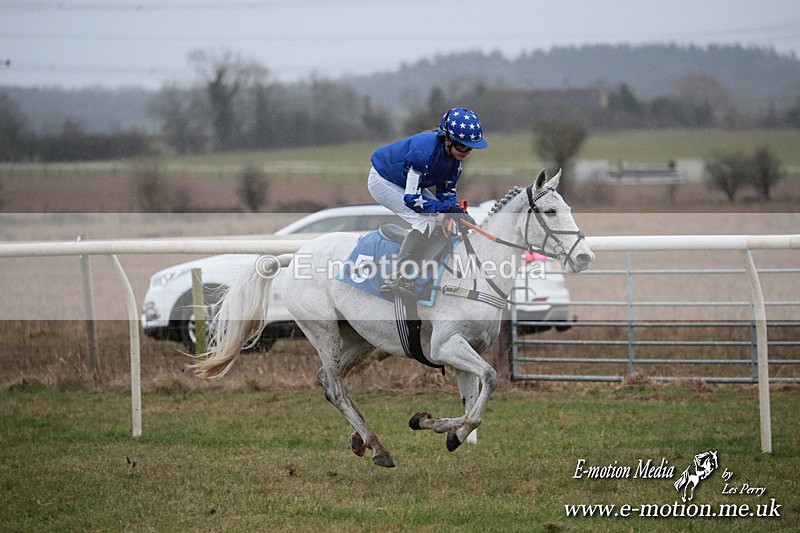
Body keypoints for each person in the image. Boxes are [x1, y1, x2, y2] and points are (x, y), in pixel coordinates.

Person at [367, 106, 488, 297]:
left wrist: (459, 213)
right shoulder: (422, 152)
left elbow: (446, 195)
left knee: (443, 221)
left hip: (406, 185)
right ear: (447, 139)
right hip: (383, 181)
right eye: (462, 146)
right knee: (424, 222)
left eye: (470, 148)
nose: (466, 152)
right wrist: (446, 208)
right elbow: (412, 199)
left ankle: (429, 273)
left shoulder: (454, 163)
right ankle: (397, 278)